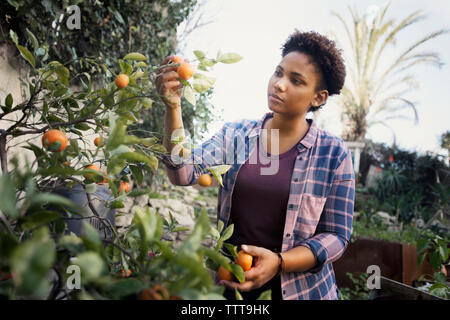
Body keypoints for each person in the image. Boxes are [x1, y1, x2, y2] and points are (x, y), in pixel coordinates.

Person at [155, 29, 355, 300]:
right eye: (278, 72)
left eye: (296, 81)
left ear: (318, 97)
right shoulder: (235, 136)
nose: (280, 84)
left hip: (304, 293)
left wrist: (280, 262)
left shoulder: (333, 154)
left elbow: (336, 236)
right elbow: (183, 172)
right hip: (233, 286)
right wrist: (173, 107)